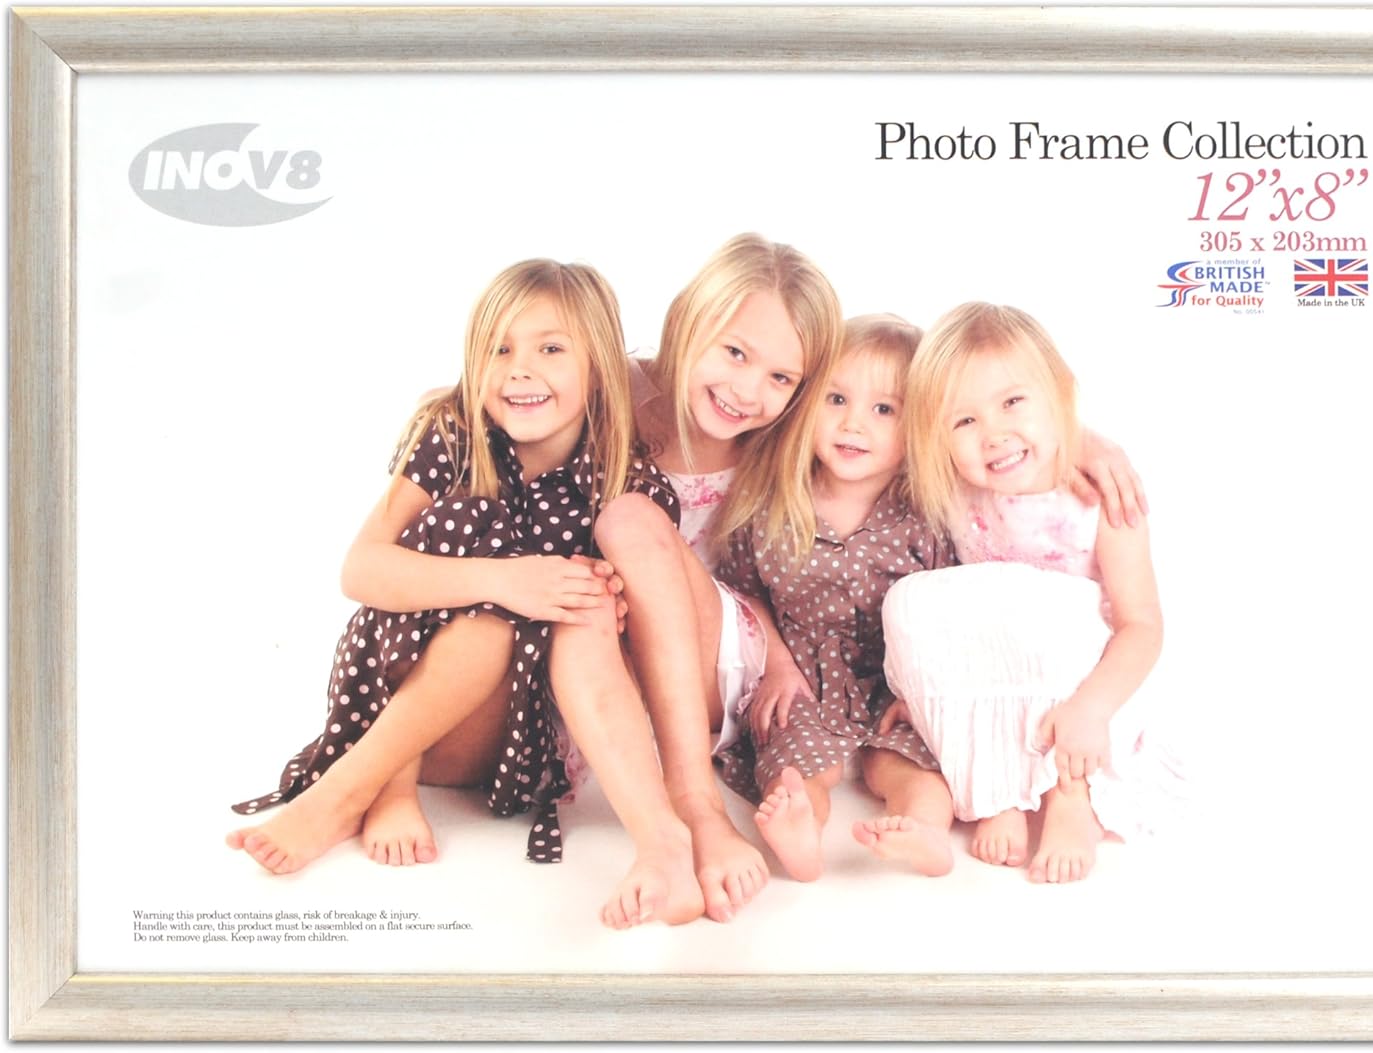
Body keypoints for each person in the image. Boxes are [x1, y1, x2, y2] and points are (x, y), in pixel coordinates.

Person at [227, 259, 704, 929]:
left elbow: (634, 609)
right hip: (403, 707)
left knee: (571, 605)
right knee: (475, 578)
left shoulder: (621, 473)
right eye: (498, 350)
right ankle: (359, 787)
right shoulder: (453, 434)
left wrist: (603, 590)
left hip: (513, 733)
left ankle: (661, 844)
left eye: (550, 349)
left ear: (599, 365)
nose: (518, 370)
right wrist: (504, 579)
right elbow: (360, 569)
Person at [589, 233, 842, 920]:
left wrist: (1079, 437)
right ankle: (661, 837)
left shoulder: (784, 448)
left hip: (716, 658)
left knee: (628, 520)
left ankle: (696, 802)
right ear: (689, 319)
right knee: (583, 596)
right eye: (735, 352)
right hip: (625, 656)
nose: (747, 391)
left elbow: (919, 413)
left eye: (781, 378)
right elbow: (508, 388)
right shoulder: (617, 391)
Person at [883, 302, 1178, 884]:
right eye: (964, 422)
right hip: (1001, 684)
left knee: (1045, 606)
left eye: (1013, 402)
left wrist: (1091, 708)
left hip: (1086, 681)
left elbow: (1143, 626)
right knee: (915, 599)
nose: (994, 435)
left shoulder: (1099, 498)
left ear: (1059, 396)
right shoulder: (956, 494)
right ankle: (997, 790)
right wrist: (919, 684)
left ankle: (1071, 796)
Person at [716, 314, 957, 881]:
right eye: (837, 399)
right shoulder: (771, 503)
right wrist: (776, 665)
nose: (854, 423)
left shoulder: (925, 517)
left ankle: (923, 829)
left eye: (884, 409)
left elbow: (947, 613)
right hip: (803, 676)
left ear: (919, 425)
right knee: (791, 759)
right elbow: (744, 592)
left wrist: (922, 690)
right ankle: (799, 833)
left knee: (913, 762)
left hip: (893, 682)